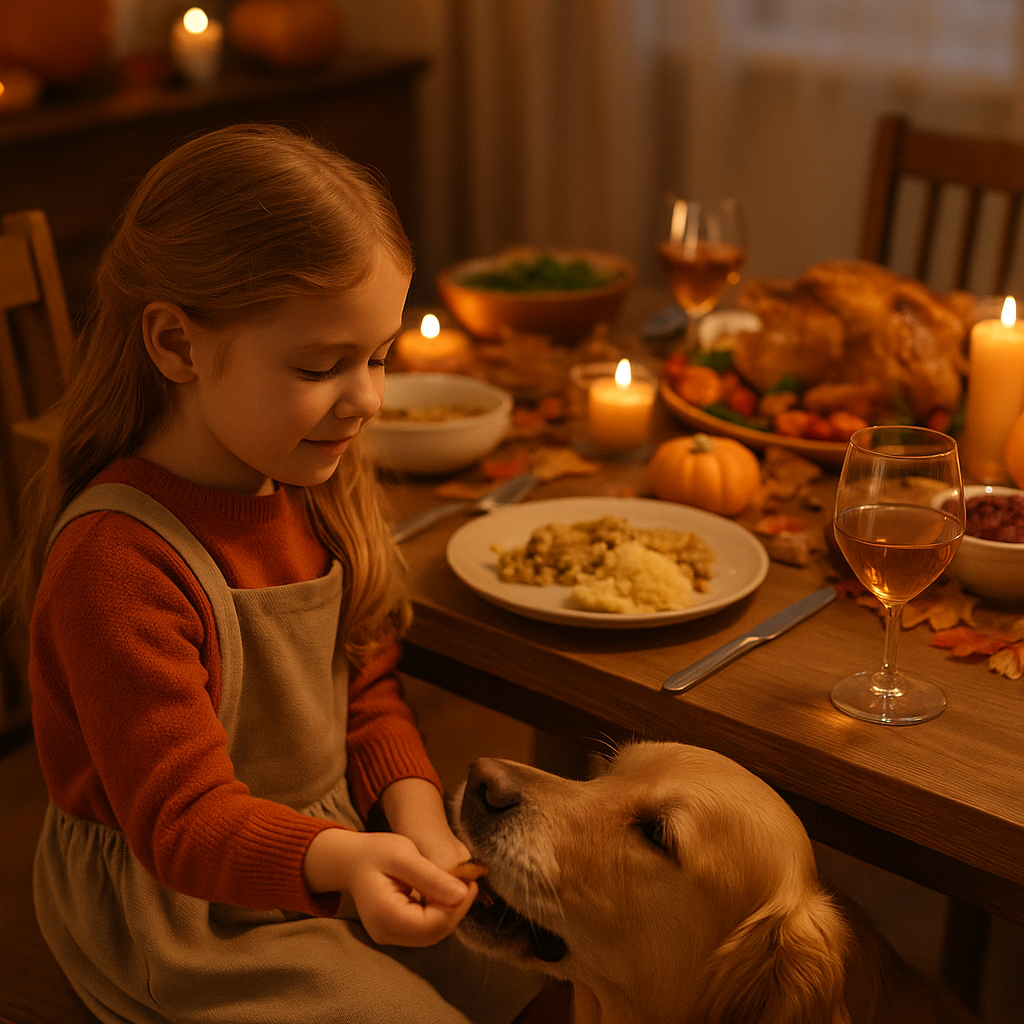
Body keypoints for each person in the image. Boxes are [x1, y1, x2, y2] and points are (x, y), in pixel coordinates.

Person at [6, 124, 548, 1024]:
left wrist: (420, 824)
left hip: (338, 846)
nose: (368, 398)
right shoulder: (115, 563)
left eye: (379, 357)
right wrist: (346, 862)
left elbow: (364, 694)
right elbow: (184, 822)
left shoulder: (307, 481)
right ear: (176, 344)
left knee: (538, 983)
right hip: (186, 906)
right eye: (321, 365)